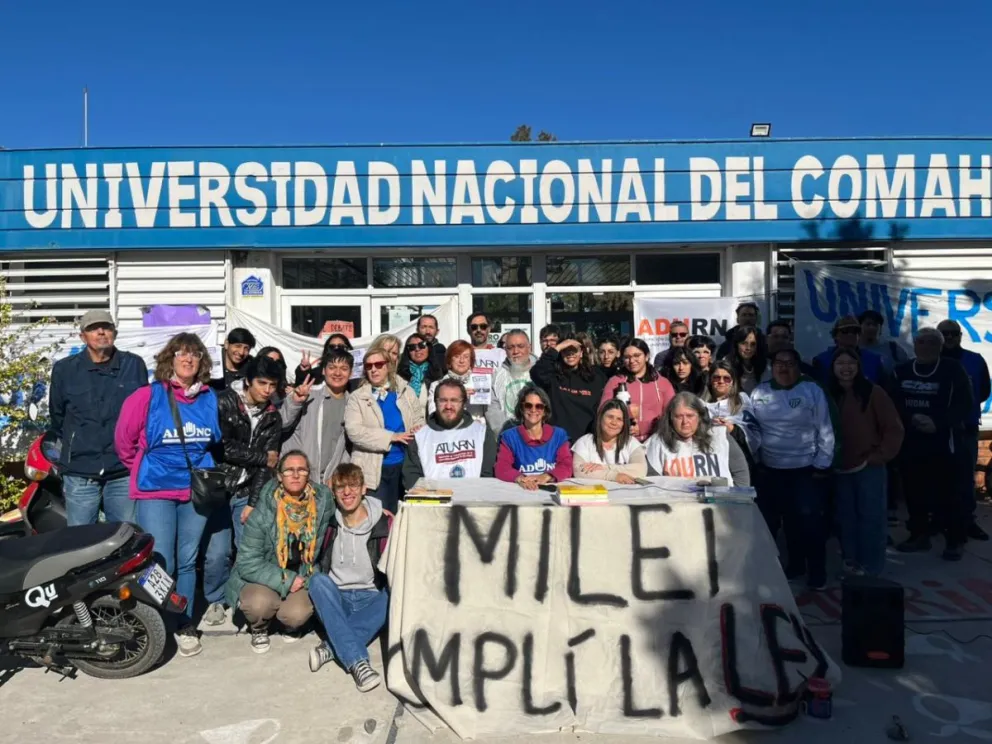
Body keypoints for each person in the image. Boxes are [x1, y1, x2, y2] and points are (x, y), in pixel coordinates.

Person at [114, 332, 221, 657]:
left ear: (202, 362)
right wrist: (146, 468)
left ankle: (183, 622)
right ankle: (157, 624)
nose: (188, 360)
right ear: (169, 359)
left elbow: (211, 438)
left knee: (187, 562)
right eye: (181, 354)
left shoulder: (208, 397)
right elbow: (123, 442)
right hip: (155, 490)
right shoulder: (148, 395)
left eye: (195, 355)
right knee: (160, 561)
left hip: (194, 490)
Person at [202, 356, 283, 627]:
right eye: (262, 383)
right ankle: (215, 600)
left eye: (273, 384)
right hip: (217, 489)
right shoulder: (223, 401)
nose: (267, 389)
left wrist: (253, 500)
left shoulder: (272, 415)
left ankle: (238, 598)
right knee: (217, 553)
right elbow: (219, 447)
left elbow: (269, 466)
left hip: (246, 491)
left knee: (248, 550)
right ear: (248, 381)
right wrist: (261, 456)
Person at [49, 309, 148, 526]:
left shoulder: (133, 365)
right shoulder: (65, 370)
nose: (101, 332)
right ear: (83, 336)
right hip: (80, 469)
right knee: (81, 541)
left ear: (115, 332)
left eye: (106, 327)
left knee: (125, 535)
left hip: (123, 468)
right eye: (93, 328)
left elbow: (144, 413)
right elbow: (57, 417)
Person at [224, 451, 330, 654]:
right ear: (279, 476)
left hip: (301, 572)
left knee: (297, 614)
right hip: (263, 574)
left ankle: (286, 623)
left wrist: (374, 510)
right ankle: (259, 627)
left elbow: (347, 508)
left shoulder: (322, 502)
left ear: (308, 474)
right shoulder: (263, 510)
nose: (296, 475)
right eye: (289, 470)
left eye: (302, 470)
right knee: (258, 605)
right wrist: (287, 580)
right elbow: (247, 562)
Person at [750, 346, 836, 591]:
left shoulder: (811, 390)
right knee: (786, 522)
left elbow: (825, 429)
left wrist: (822, 463)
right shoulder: (760, 392)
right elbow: (753, 429)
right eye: (779, 362)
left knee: (810, 521)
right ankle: (795, 566)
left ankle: (817, 570)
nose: (783, 367)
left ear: (798, 367)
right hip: (772, 469)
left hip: (806, 468)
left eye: (789, 363)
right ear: (772, 366)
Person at [889, 327, 974, 560]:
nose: (925, 347)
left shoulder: (952, 369)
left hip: (945, 442)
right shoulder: (902, 370)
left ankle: (955, 539)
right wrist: (911, 418)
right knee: (914, 492)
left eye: (931, 343)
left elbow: (965, 403)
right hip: (912, 441)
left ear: (940, 346)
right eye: (921, 342)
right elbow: (893, 401)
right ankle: (918, 535)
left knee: (949, 493)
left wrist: (938, 422)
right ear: (914, 345)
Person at [307, 463, 392, 692]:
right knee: (317, 581)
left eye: (353, 485)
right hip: (338, 599)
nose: (347, 492)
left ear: (364, 488)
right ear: (333, 492)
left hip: (370, 597)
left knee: (393, 594)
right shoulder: (328, 522)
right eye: (341, 487)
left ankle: (332, 647)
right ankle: (358, 663)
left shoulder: (385, 523)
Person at [828, 347, 904, 576]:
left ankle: (871, 567)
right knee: (845, 518)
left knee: (871, 518)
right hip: (839, 467)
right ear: (833, 368)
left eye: (851, 363)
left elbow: (894, 428)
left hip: (868, 466)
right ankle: (850, 560)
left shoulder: (874, 393)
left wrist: (878, 456)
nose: (846, 368)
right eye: (840, 363)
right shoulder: (826, 393)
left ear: (859, 367)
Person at [344, 346, 425, 513]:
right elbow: (354, 431)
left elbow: (418, 417)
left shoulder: (405, 391)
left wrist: (417, 427)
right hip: (372, 468)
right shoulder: (357, 397)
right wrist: (391, 437)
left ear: (388, 366)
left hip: (404, 465)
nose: (374, 369)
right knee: (379, 520)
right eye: (369, 366)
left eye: (379, 364)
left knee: (404, 517)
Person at [938, 319, 991, 542]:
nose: (949, 338)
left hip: (966, 428)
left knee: (965, 478)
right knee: (936, 476)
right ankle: (938, 520)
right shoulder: (931, 360)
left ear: (960, 336)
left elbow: (984, 391)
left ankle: (967, 520)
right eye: (944, 334)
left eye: (953, 334)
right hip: (937, 429)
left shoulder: (975, 360)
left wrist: (963, 410)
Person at [281, 348, 354, 484]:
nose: (337, 373)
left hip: (329, 481)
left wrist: (338, 474)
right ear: (323, 370)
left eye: (344, 368)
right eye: (332, 367)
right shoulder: (308, 395)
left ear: (351, 373)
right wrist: (294, 401)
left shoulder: (353, 404)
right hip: (299, 477)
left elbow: (345, 447)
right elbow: (283, 423)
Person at [646, 392, 750, 486]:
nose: (685, 422)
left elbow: (741, 474)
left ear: (699, 416)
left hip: (721, 502)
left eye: (690, 416)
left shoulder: (719, 436)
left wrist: (738, 499)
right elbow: (651, 482)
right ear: (670, 418)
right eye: (679, 416)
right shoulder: (657, 443)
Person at [403, 379, 497, 482]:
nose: (448, 406)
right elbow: (411, 478)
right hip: (434, 496)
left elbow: (488, 476)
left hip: (472, 496)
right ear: (435, 402)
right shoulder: (419, 436)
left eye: (454, 400)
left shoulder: (482, 433)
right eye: (443, 400)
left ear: (463, 403)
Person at [530, 337, 608, 443]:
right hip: (557, 441)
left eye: (574, 350)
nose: (570, 354)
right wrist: (557, 348)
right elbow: (536, 372)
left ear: (581, 353)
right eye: (566, 350)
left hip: (587, 442)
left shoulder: (596, 377)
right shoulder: (553, 377)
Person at [495, 385, 573, 488]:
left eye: (539, 406)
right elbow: (501, 467)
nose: (533, 410)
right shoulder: (509, 437)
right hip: (521, 491)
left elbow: (566, 465)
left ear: (545, 410)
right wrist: (520, 478)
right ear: (522, 408)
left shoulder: (559, 435)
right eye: (528, 405)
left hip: (550, 490)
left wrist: (546, 476)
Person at [600, 339, 676, 442]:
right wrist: (624, 426)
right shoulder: (615, 381)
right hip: (624, 442)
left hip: (656, 441)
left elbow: (672, 414)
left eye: (637, 355)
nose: (632, 361)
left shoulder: (663, 383)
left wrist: (644, 427)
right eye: (627, 357)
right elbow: (603, 412)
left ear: (647, 356)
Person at [572, 400, 647, 483]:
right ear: (601, 418)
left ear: (624, 424)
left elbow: (641, 469)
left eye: (619, 419)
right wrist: (614, 476)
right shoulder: (585, 442)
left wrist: (604, 468)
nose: (614, 422)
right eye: (610, 417)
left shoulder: (631, 442)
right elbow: (578, 471)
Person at [703, 359, 761, 466]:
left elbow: (753, 433)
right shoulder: (701, 404)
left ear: (733, 381)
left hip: (740, 460)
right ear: (710, 380)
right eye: (716, 377)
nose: (721, 381)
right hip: (711, 461)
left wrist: (732, 429)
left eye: (726, 378)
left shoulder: (741, 400)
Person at [427, 340, 489, 424]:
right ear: (449, 360)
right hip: (449, 432)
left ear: (471, 361)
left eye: (466, 357)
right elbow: (433, 415)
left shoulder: (481, 381)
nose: (461, 361)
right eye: (457, 356)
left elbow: (488, 413)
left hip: (477, 430)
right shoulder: (436, 385)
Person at [812, 315, 884, 384]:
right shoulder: (821, 361)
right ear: (835, 336)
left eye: (855, 331)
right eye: (845, 331)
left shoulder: (874, 360)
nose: (851, 334)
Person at [491, 330, 536, 432]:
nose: (516, 351)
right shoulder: (497, 375)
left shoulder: (540, 371)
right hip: (507, 434)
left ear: (529, 347)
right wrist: (505, 432)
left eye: (520, 346)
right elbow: (492, 408)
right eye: (510, 348)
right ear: (505, 350)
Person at [397, 332, 444, 411]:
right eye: (412, 347)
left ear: (428, 348)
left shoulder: (436, 373)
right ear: (407, 352)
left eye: (421, 345)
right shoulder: (400, 375)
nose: (417, 349)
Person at [859, 310, 910, 375]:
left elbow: (908, 372)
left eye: (875, 325)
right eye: (868, 324)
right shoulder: (853, 349)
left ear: (880, 329)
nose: (871, 328)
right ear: (860, 326)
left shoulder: (893, 349)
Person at [723, 325, 767, 395]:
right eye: (744, 343)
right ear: (736, 344)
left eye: (753, 344)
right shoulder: (727, 362)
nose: (748, 348)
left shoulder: (766, 365)